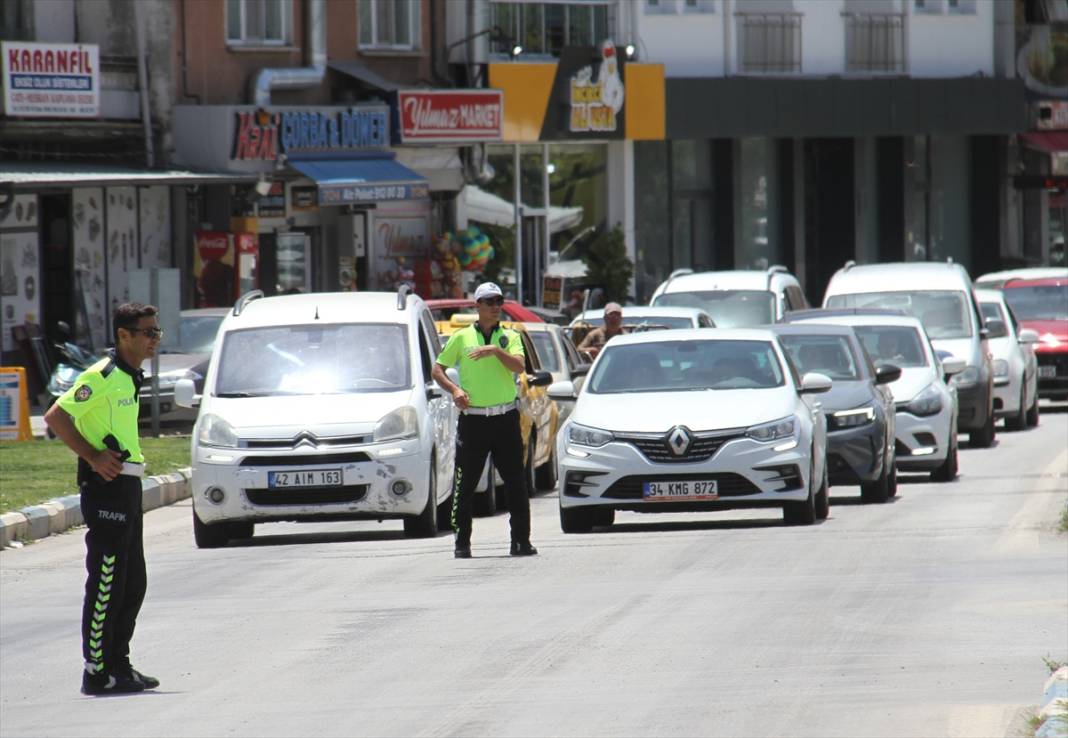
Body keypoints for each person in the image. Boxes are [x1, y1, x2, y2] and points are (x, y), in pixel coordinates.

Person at [44, 303, 162, 696]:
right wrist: (92, 456)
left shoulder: (130, 377)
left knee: (133, 583)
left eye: (156, 332)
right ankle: (96, 670)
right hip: (106, 488)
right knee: (108, 580)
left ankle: (119, 664)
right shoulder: (103, 375)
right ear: (123, 335)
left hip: (128, 485)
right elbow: (56, 416)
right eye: (147, 332)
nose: (153, 339)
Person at [431, 282, 538, 559]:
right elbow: (437, 370)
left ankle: (520, 542)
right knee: (465, 484)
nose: (495, 306)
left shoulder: (509, 336)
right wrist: (455, 390)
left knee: (516, 483)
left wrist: (494, 351)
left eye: (498, 301)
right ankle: (462, 543)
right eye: (489, 301)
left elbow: (519, 366)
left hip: (505, 418)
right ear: (477, 305)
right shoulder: (461, 337)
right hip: (474, 420)